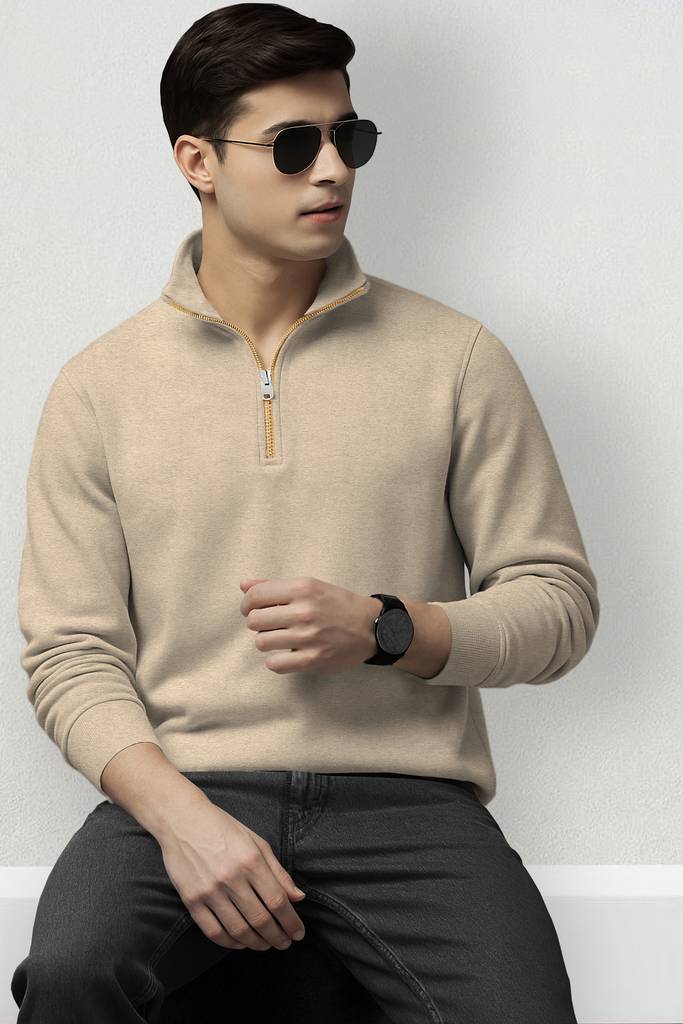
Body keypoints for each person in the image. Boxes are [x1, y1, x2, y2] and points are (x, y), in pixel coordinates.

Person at [12, 4, 599, 1022]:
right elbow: (70, 652)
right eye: (291, 145)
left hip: (406, 799)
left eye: (347, 138)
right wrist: (178, 816)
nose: (330, 170)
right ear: (197, 161)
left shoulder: (455, 358)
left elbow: (557, 603)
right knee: (70, 974)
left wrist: (388, 628)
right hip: (185, 784)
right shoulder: (98, 387)